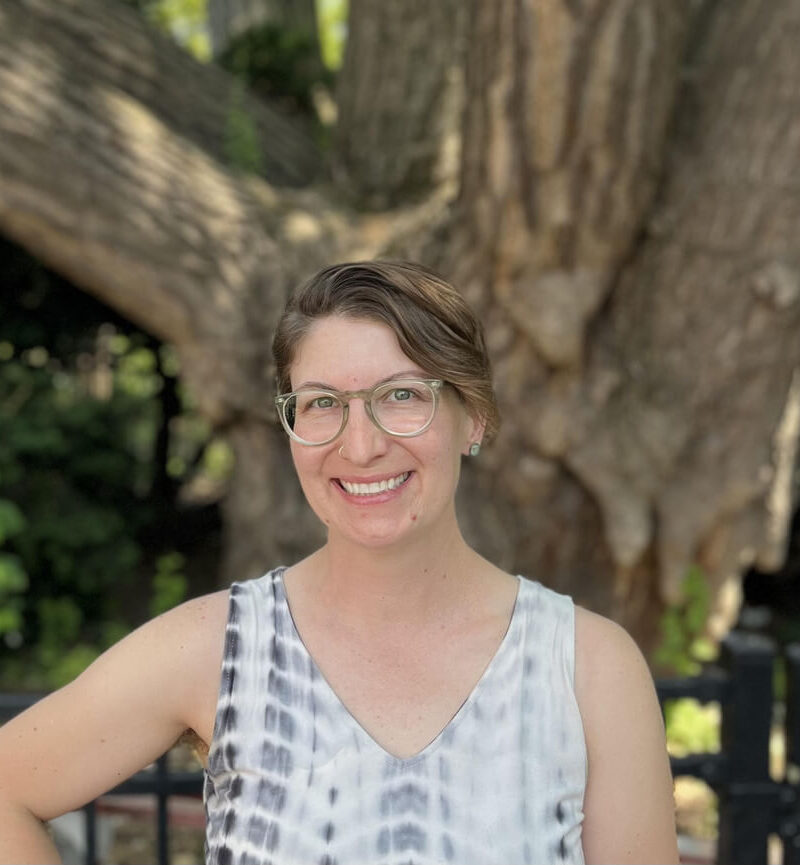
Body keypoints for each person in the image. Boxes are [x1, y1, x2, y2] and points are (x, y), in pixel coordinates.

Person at [0, 261, 679, 864]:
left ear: (472, 416)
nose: (361, 446)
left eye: (402, 396)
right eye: (323, 403)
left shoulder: (588, 668)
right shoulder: (216, 648)